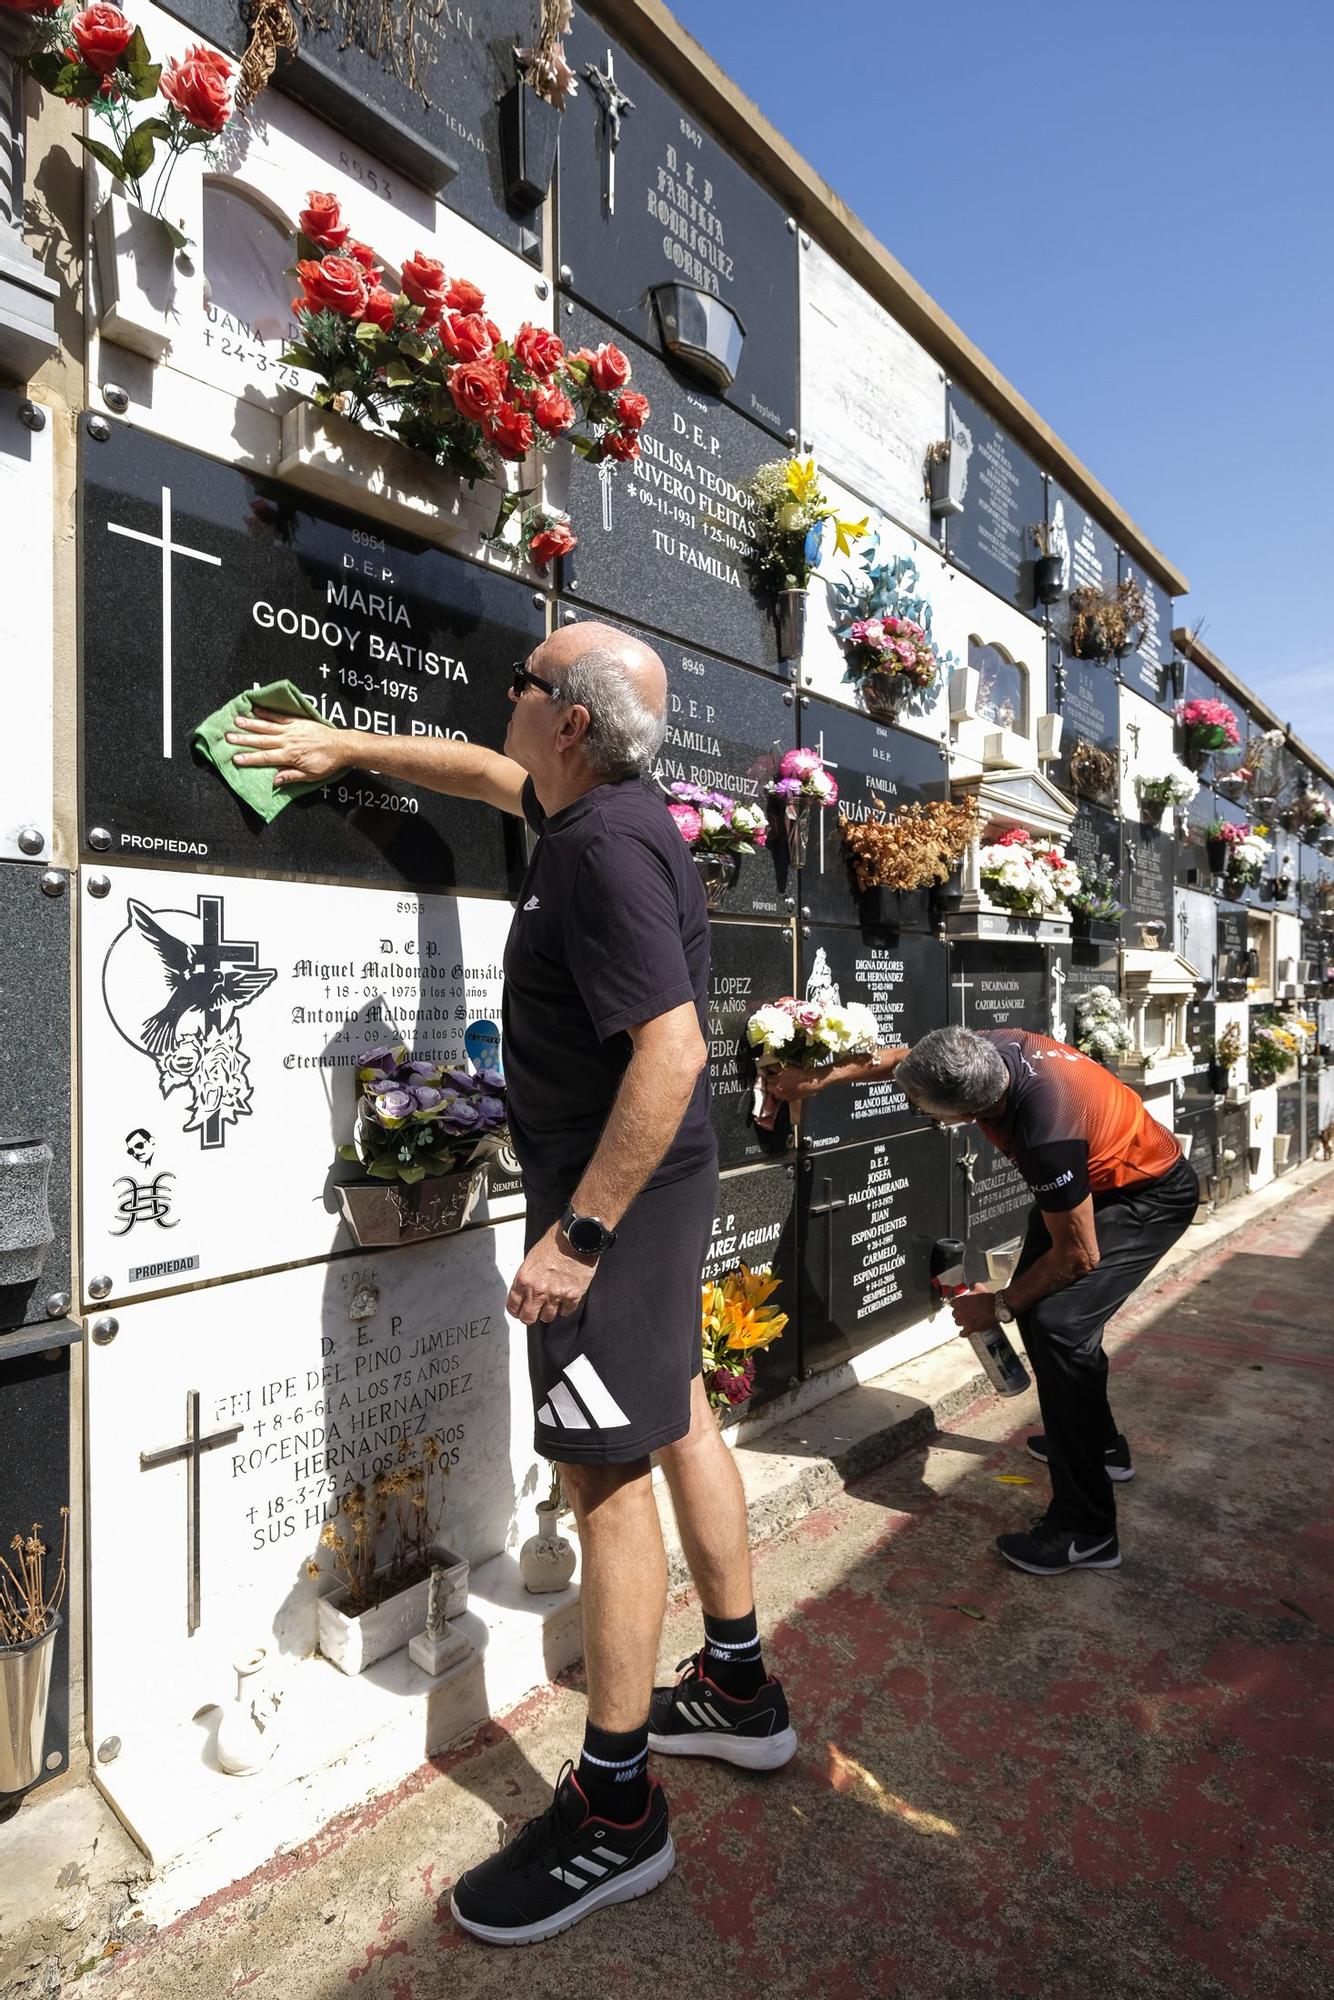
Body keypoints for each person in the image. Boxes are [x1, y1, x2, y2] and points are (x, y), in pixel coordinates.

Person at [228, 621, 796, 1947]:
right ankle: (736, 1690)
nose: (506, 697)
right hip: (652, 1187)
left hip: (617, 1193)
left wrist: (577, 1237)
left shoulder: (596, 856)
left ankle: (615, 1815)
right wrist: (344, 746)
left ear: (573, 724)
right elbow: (491, 783)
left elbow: (664, 1049)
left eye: (524, 687)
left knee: (601, 1480)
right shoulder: (604, 807)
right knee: (679, 1420)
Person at [767, 1023, 1199, 1576]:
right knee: (1052, 1324)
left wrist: (996, 1306)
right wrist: (819, 1079)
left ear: (968, 1114)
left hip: (1145, 1195)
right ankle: (1101, 1446)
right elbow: (904, 1057)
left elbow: (1079, 1256)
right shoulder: (982, 1052)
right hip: (1089, 1187)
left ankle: (1086, 1530)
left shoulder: (1047, 1133)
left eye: (933, 1114)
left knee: (1059, 1323)